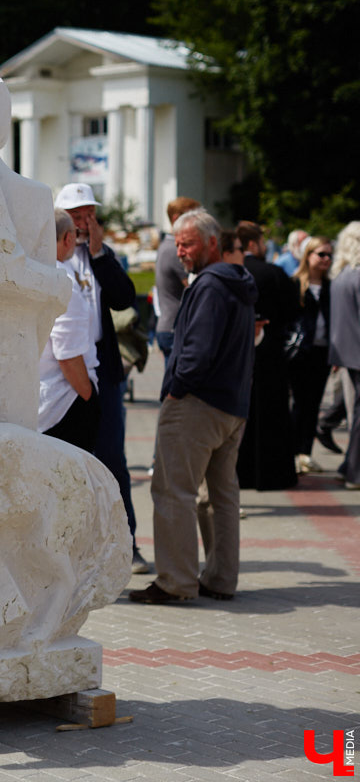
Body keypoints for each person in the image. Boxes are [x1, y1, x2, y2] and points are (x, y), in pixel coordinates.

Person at [131, 210, 257, 604]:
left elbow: (197, 353)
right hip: (232, 406)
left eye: (187, 243)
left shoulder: (210, 287)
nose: (180, 251)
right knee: (221, 496)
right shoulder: (238, 282)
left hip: (197, 405)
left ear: (212, 243)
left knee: (173, 491)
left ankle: (176, 582)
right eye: (177, 242)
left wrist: (176, 389)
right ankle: (220, 579)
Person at [54, 183, 146, 573]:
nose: (83, 222)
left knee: (112, 461)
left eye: (88, 214)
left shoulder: (98, 256)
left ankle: (126, 544)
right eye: (75, 215)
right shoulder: (48, 254)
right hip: (60, 376)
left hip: (100, 371)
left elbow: (125, 298)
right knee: (66, 465)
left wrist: (100, 253)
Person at [235, 220, 299, 490]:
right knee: (272, 413)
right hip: (270, 353)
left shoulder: (230, 272)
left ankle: (242, 473)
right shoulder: (273, 273)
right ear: (253, 244)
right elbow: (292, 311)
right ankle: (272, 475)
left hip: (237, 356)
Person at [38, 210, 100, 453]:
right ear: (68, 238)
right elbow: (68, 355)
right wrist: (88, 397)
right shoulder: (61, 281)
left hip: (39, 402)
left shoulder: (29, 274)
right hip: (66, 400)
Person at [288, 236, 334, 474]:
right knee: (299, 403)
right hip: (300, 353)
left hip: (322, 352)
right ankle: (293, 453)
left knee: (314, 404)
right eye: (321, 254)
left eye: (329, 255)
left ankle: (305, 453)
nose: (326, 259)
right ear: (308, 255)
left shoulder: (330, 286)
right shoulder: (295, 284)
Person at [328, 221, 360, 490]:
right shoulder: (357, 275)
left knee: (355, 412)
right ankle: (353, 472)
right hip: (356, 351)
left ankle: (348, 466)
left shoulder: (341, 275)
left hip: (346, 351)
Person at [154, 197, 202, 364]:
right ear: (176, 219)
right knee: (175, 385)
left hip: (169, 325)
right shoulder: (175, 249)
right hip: (174, 327)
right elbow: (196, 289)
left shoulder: (167, 246)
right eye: (192, 217)